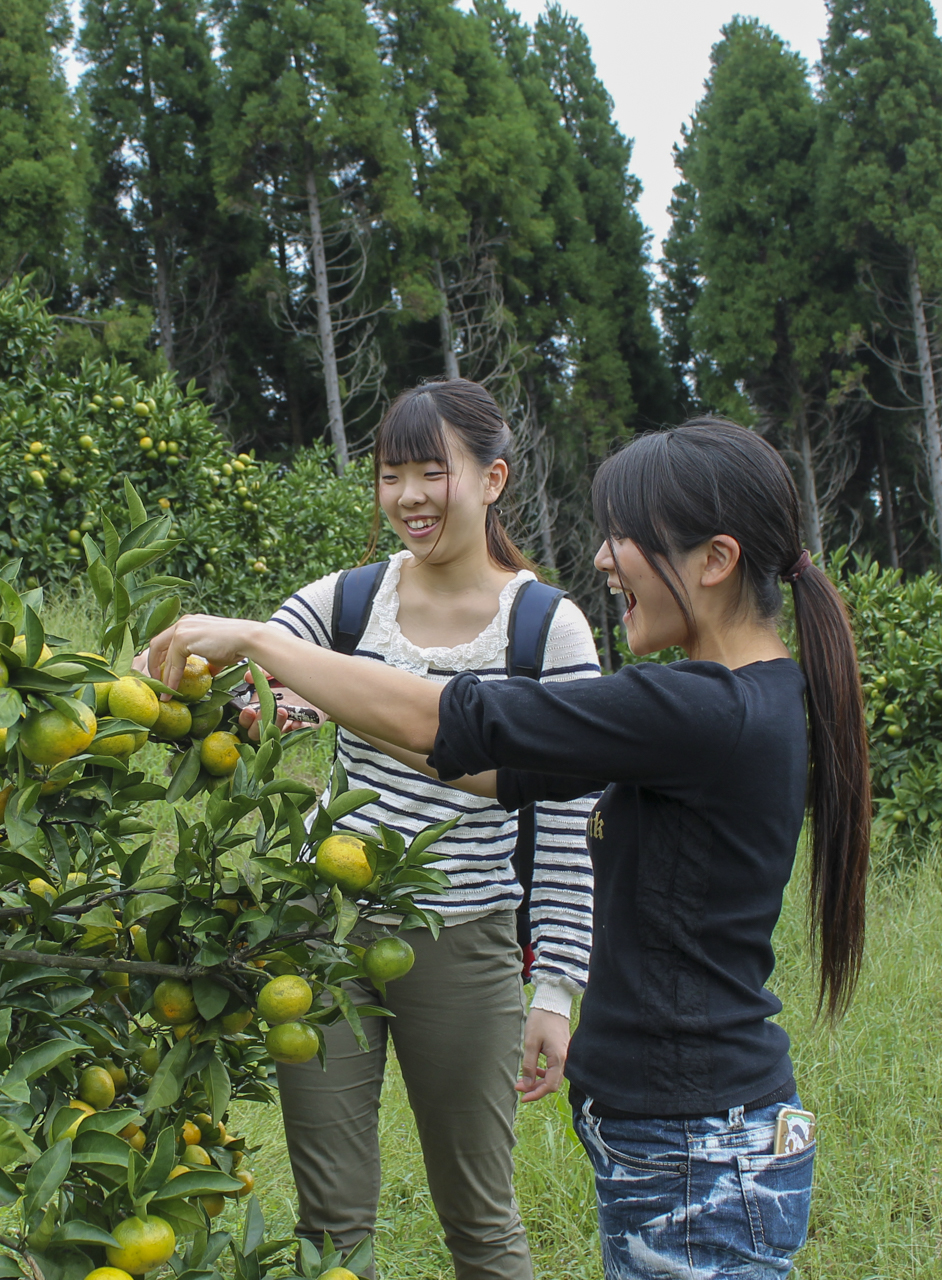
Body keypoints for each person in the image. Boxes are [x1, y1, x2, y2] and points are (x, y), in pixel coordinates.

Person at [149, 419, 872, 1278]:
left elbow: (456, 718)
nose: (603, 560)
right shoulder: (729, 702)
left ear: (715, 560)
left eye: (624, 538)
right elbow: (496, 770)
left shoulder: (703, 709)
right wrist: (331, 706)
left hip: (698, 1152)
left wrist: (263, 642)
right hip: (687, 1138)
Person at [247, 379, 602, 1280]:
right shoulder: (347, 600)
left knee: (480, 1221)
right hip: (324, 927)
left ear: (492, 479)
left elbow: (569, 822)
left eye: (431, 472)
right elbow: (255, 672)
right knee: (330, 1225)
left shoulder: (547, 629)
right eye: (389, 475)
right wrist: (207, 683)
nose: (408, 497)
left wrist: (557, 989)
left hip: (466, 936)